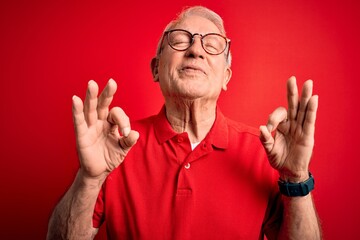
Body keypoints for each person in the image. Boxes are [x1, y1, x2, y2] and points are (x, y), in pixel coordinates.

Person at [47, 6, 321, 240]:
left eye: (212, 45)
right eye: (180, 40)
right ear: (156, 68)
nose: (195, 50)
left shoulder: (264, 152)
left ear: (226, 77)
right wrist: (90, 178)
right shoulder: (117, 146)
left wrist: (296, 178)